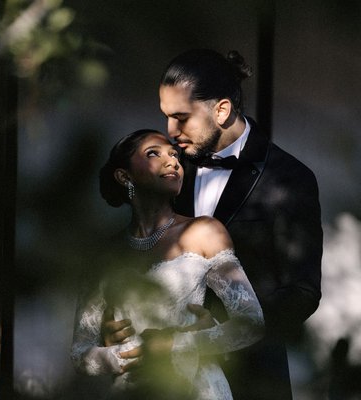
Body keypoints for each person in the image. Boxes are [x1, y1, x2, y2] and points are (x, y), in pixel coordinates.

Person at [102, 49, 323, 399]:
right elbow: (141, 246)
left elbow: (303, 292)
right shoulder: (170, 168)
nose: (170, 132)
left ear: (221, 110)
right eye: (166, 116)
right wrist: (114, 322)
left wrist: (222, 333)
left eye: (181, 117)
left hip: (250, 378)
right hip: (158, 381)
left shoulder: (290, 179)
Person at [71, 129, 265, 399]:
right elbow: (81, 353)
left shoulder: (204, 232)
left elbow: (251, 323)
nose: (172, 161)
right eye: (154, 154)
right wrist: (126, 354)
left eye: (175, 155)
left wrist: (175, 342)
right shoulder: (106, 254)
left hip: (196, 389)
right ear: (124, 176)